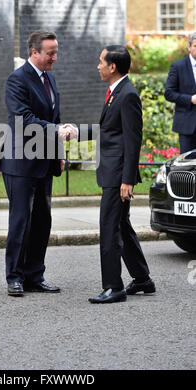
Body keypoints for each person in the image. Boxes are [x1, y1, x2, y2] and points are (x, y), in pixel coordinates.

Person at [70, 45, 155, 304]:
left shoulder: (127, 95)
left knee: (109, 228)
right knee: (121, 225)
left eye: (100, 62)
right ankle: (142, 279)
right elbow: (108, 129)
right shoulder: (115, 92)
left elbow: (132, 139)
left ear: (112, 67)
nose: (98, 66)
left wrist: (127, 179)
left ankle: (113, 287)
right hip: (114, 173)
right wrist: (76, 132)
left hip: (118, 176)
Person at [0, 30, 71, 297]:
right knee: (20, 221)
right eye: (50, 52)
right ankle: (14, 277)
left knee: (42, 220)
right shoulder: (17, 79)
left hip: (44, 161)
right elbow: (23, 119)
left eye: (56, 51)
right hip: (20, 162)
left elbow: (55, 115)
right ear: (34, 52)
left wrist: (59, 153)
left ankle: (35, 275)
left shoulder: (49, 77)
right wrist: (57, 129)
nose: (55, 57)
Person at [165, 32, 196, 153]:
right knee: (187, 166)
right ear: (189, 47)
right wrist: (190, 99)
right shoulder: (178, 66)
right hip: (187, 127)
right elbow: (169, 93)